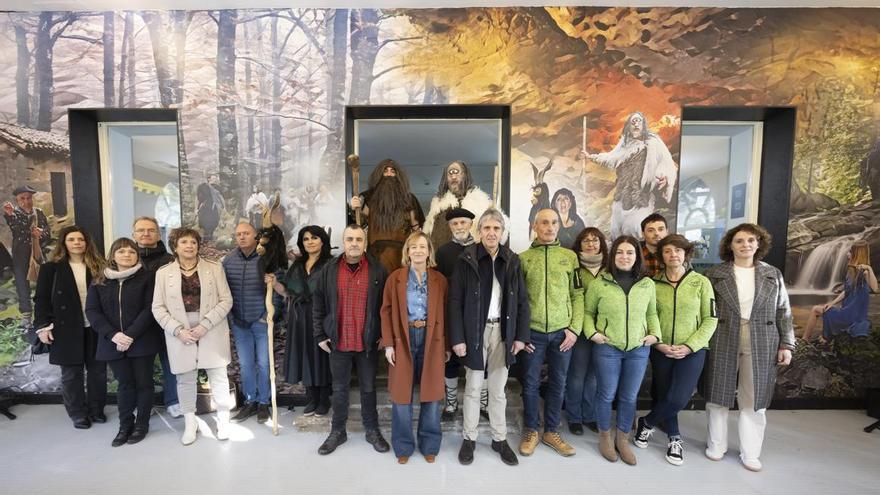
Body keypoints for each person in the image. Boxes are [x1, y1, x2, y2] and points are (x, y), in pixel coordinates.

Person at [702, 223, 795, 472]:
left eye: (751, 240)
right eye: (739, 241)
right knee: (717, 395)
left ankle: (751, 452)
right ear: (730, 245)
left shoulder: (772, 274)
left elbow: (783, 311)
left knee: (753, 399)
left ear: (759, 244)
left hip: (762, 338)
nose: (746, 245)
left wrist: (787, 343)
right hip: (723, 336)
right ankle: (716, 444)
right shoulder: (715, 274)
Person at [449, 207, 529, 467]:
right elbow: (455, 301)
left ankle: (499, 438)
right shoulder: (467, 259)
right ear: (478, 231)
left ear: (502, 232)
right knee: (472, 388)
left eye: (496, 228)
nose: (491, 232)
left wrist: (520, 336)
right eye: (486, 228)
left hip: (504, 333)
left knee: (498, 391)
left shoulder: (512, 260)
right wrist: (458, 338)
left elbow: (522, 302)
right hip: (474, 332)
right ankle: (469, 439)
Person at [632, 234, 718, 465]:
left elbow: (710, 319)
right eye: (668, 251)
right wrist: (659, 343)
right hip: (661, 349)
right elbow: (649, 316)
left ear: (686, 254)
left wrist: (690, 346)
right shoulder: (652, 283)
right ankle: (674, 438)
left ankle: (647, 423)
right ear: (661, 255)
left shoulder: (701, 282)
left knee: (678, 397)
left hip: (692, 350)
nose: (673, 255)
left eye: (678, 251)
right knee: (663, 394)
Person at [583, 234, 661, 465]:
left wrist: (655, 334)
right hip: (608, 347)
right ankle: (605, 437)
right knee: (606, 394)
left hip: (638, 349)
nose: (624, 257)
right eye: (619, 252)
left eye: (629, 252)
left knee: (629, 397)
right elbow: (588, 313)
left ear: (637, 256)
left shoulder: (647, 284)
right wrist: (592, 333)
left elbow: (652, 313)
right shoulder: (600, 283)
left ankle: (623, 438)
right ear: (612, 255)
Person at [313, 224, 390, 455]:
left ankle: (372, 430)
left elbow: (387, 307)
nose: (354, 243)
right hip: (339, 342)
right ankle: (338, 431)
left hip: (367, 343)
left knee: (368, 388)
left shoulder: (378, 270)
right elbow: (318, 304)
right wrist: (319, 334)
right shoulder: (329, 270)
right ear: (343, 242)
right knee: (339, 389)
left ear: (365, 243)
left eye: (358, 239)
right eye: (350, 239)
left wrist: (384, 335)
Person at [152, 228, 234, 445]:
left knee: (218, 375)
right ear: (175, 247)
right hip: (179, 331)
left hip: (211, 326)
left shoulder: (214, 269)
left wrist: (204, 325)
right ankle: (190, 422)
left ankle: (223, 419)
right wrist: (178, 330)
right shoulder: (163, 273)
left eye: (193, 242)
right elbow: (158, 308)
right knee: (185, 378)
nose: (189, 246)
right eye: (184, 242)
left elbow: (226, 300)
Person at [517, 208, 584, 458]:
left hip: (562, 334)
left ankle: (551, 431)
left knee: (559, 383)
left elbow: (578, 294)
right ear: (535, 226)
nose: (550, 227)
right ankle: (531, 429)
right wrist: (521, 335)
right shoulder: (523, 258)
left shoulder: (569, 258)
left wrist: (574, 330)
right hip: (533, 334)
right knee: (531, 384)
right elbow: (518, 301)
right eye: (544, 222)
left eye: (554, 222)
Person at [85, 237, 163, 446]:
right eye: (121, 251)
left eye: (131, 252)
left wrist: (130, 335)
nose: (127, 255)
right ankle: (125, 425)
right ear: (113, 256)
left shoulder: (148, 278)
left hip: (141, 340)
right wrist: (113, 335)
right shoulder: (100, 280)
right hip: (112, 342)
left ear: (137, 255)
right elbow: (92, 311)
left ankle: (142, 424)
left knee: (145, 384)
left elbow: (150, 308)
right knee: (125, 384)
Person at [381, 232, 449, 464]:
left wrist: (447, 345)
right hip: (403, 338)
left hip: (432, 339)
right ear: (407, 252)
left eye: (423, 246)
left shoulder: (440, 280)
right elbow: (386, 312)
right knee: (401, 396)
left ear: (429, 251)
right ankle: (403, 446)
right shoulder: (395, 279)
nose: (418, 250)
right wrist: (388, 343)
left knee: (431, 394)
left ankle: (429, 444)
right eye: (414, 247)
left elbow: (447, 314)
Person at [33, 225, 107, 429]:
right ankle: (77, 413)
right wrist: (42, 326)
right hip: (65, 328)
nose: (77, 243)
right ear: (64, 243)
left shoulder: (98, 266)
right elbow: (41, 299)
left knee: (98, 371)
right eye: (72, 239)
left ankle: (96, 409)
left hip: (95, 326)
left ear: (87, 243)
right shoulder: (52, 268)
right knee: (72, 374)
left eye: (80, 239)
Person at [583, 112, 678, 239]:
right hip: (622, 194)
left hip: (641, 196)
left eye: (639, 121)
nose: (636, 124)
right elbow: (611, 158)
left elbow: (665, 163)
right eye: (633, 122)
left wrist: (664, 177)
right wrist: (591, 157)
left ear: (643, 124)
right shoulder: (625, 144)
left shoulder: (654, 143)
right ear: (628, 126)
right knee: (616, 232)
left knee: (636, 230)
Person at [433, 208, 486, 422]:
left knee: (481, 358)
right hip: (452, 312)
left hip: (478, 313)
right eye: (455, 224)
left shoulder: (482, 249)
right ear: (450, 227)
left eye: (463, 222)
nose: (459, 227)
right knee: (451, 359)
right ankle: (451, 403)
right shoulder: (443, 252)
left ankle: (483, 402)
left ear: (471, 224)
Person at [274, 225, 333, 416]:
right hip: (299, 318)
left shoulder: (330, 264)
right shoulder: (298, 265)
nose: (310, 242)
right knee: (307, 357)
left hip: (322, 317)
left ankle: (324, 400)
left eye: (314, 238)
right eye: (306, 239)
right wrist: (273, 283)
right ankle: (312, 399)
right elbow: (287, 291)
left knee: (322, 358)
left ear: (322, 241)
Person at [223, 222, 273, 424]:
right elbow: (223, 290)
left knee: (263, 363)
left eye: (246, 233)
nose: (242, 237)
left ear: (255, 236)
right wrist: (230, 317)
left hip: (261, 320)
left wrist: (269, 314)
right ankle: (250, 401)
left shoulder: (266, 258)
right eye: (238, 234)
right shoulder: (229, 260)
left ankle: (264, 402)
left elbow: (275, 288)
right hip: (239, 320)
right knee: (245, 365)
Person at [132, 216, 180, 418]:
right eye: (141, 230)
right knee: (142, 366)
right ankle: (144, 403)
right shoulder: (127, 258)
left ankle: (173, 400)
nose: (145, 234)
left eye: (150, 230)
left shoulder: (170, 260)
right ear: (134, 234)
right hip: (138, 321)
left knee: (170, 362)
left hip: (166, 320)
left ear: (158, 234)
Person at [564, 227, 607, 436]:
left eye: (595, 240)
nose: (591, 244)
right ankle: (574, 417)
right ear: (579, 244)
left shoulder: (609, 269)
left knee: (593, 376)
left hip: (603, 333)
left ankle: (589, 415)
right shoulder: (576, 268)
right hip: (580, 331)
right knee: (577, 375)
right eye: (586, 241)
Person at [349, 159, 425, 273]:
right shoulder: (369, 198)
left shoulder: (409, 200)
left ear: (398, 175)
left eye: (392, 171)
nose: (389, 174)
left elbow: (416, 230)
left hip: (401, 256)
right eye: (385, 171)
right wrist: (355, 208)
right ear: (380, 175)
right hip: (375, 257)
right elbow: (361, 223)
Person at [802, 240, 877, 342]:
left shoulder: (865, 272)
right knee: (824, 309)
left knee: (815, 309)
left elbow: (875, 288)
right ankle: (814, 339)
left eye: (850, 252)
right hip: (848, 312)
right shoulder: (851, 271)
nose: (847, 254)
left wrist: (869, 268)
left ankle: (805, 339)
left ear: (857, 254)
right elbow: (846, 291)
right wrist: (832, 303)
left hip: (851, 316)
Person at [3, 185, 51, 329]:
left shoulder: (40, 213)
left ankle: (43, 313)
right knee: (22, 285)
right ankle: (26, 316)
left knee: (43, 282)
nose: (26, 201)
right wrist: (11, 215)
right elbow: (17, 229)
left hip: (37, 253)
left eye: (28, 198)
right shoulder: (13, 215)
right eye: (22, 199)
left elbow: (48, 234)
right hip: (21, 255)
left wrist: (41, 233)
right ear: (17, 200)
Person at [423, 160, 498, 247]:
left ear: (464, 175)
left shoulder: (481, 202)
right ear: (446, 178)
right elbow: (428, 234)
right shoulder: (438, 206)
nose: (453, 177)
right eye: (450, 174)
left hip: (472, 256)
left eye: (457, 173)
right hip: (441, 257)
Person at [197, 172, 224, 242]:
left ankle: (210, 239)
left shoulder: (217, 187)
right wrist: (197, 208)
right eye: (213, 178)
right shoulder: (202, 187)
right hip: (205, 208)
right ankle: (206, 240)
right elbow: (198, 198)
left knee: (214, 223)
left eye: (215, 178)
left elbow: (221, 198)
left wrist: (223, 207)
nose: (215, 179)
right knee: (206, 224)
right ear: (208, 179)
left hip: (214, 208)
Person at [640, 213, 668, 278]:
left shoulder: (676, 253)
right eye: (651, 230)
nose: (657, 233)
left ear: (667, 231)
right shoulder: (634, 253)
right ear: (643, 234)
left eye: (661, 229)